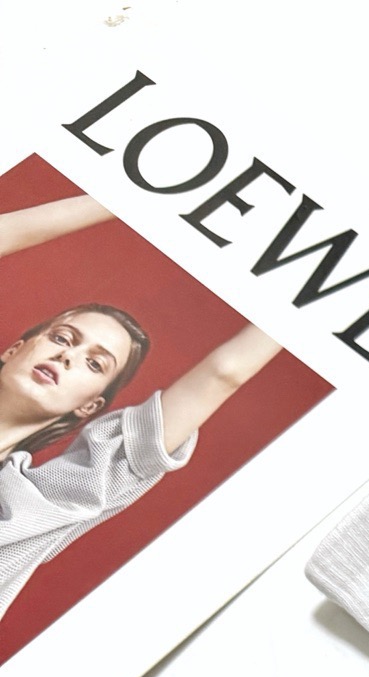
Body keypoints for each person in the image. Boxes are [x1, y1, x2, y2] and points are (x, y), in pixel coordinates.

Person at [0, 191, 282, 622]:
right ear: (14, 349)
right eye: (62, 338)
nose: (68, 356)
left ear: (88, 406)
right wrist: (134, 192)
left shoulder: (43, 504)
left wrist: (305, 293)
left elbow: (223, 374)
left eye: (95, 363)